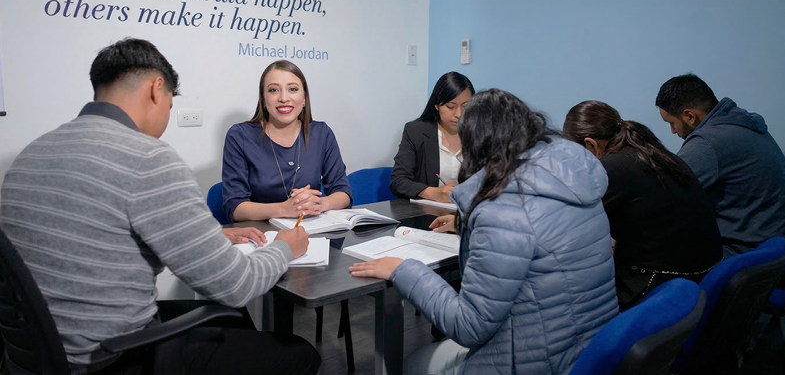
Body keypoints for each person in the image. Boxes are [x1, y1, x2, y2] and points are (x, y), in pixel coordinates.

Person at [0, 39, 320, 374]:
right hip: (112, 358)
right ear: (157, 90)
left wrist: (209, 238)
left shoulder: (30, 155)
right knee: (299, 354)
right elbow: (236, 286)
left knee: (236, 320)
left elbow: (94, 247)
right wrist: (285, 247)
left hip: (37, 356)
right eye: (170, 103)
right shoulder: (148, 158)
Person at [351, 89, 618, 375]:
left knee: (414, 365)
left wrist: (403, 270)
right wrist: (465, 222)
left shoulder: (501, 209)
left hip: (536, 360)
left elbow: (468, 326)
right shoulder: (572, 180)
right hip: (590, 346)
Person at [563, 100, 722, 310]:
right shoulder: (655, 154)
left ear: (591, 145)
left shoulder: (612, 168)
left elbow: (565, 224)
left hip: (660, 287)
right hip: (702, 279)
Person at [655, 74, 785, 257]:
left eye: (672, 123)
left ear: (690, 116)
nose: (672, 130)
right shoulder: (743, 124)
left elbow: (660, 196)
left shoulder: (707, 142)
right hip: (778, 247)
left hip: (744, 254)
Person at [222, 60, 352, 222]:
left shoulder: (321, 133)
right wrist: (285, 209)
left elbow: (343, 192)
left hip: (311, 230)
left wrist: (319, 203)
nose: (284, 98)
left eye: (293, 89)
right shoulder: (239, 135)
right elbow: (234, 207)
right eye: (274, 90)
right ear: (263, 99)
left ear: (304, 98)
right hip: (262, 235)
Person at [390, 72, 474, 203]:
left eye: (466, 106)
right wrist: (434, 193)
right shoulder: (416, 132)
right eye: (451, 107)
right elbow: (398, 181)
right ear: (436, 105)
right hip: (428, 213)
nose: (459, 114)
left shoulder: (480, 134)